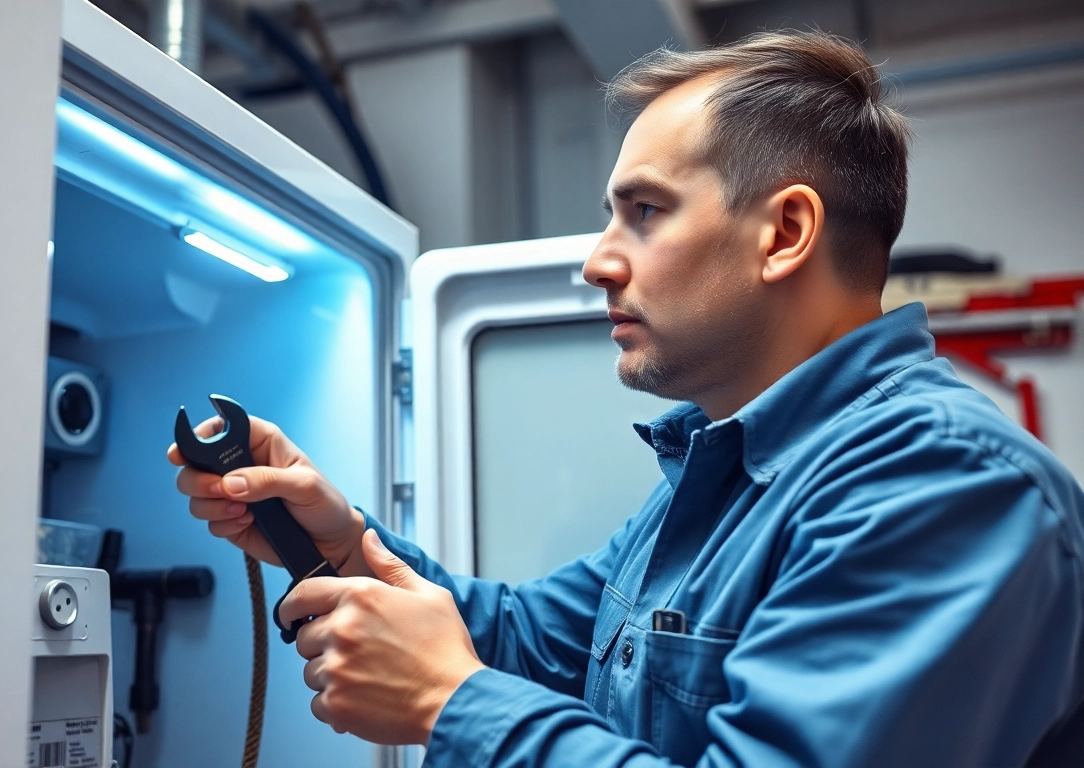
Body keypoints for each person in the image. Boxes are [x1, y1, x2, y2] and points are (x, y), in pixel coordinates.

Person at [169, 30, 1084, 767]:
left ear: (785, 233)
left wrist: (452, 705)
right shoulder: (723, 469)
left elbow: (474, 677)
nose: (596, 260)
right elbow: (532, 642)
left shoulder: (940, 487)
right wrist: (341, 545)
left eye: (643, 211)